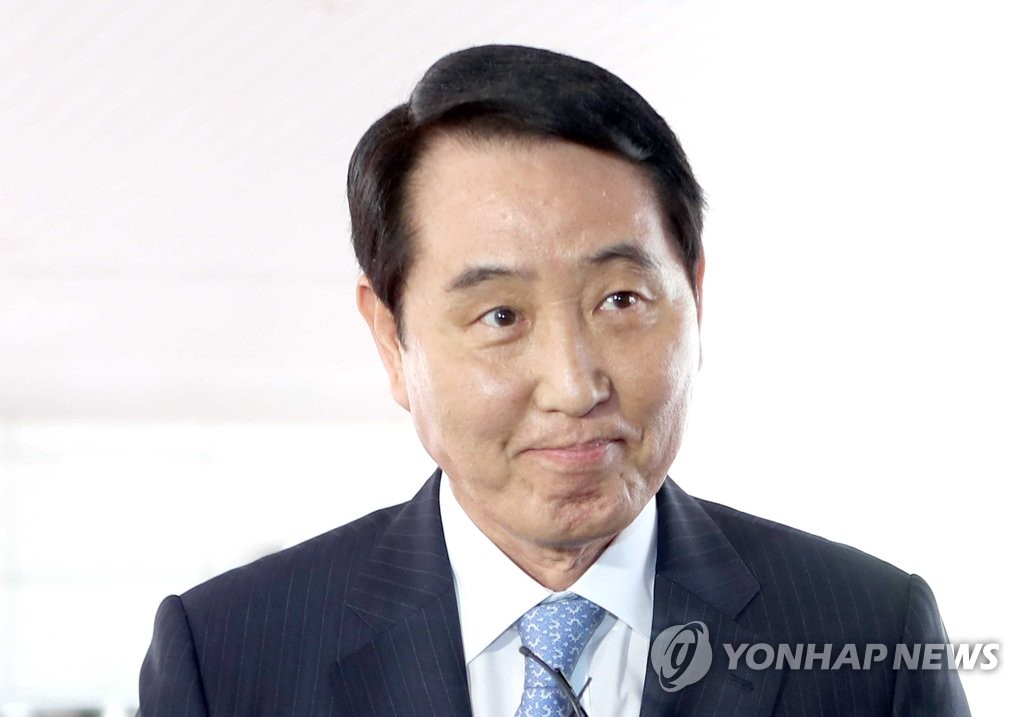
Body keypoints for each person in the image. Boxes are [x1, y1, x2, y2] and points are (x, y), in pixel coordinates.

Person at [137, 44, 970, 716]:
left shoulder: (872, 634)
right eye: (501, 315)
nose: (574, 386)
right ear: (391, 340)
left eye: (621, 300)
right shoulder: (230, 655)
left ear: (696, 297)